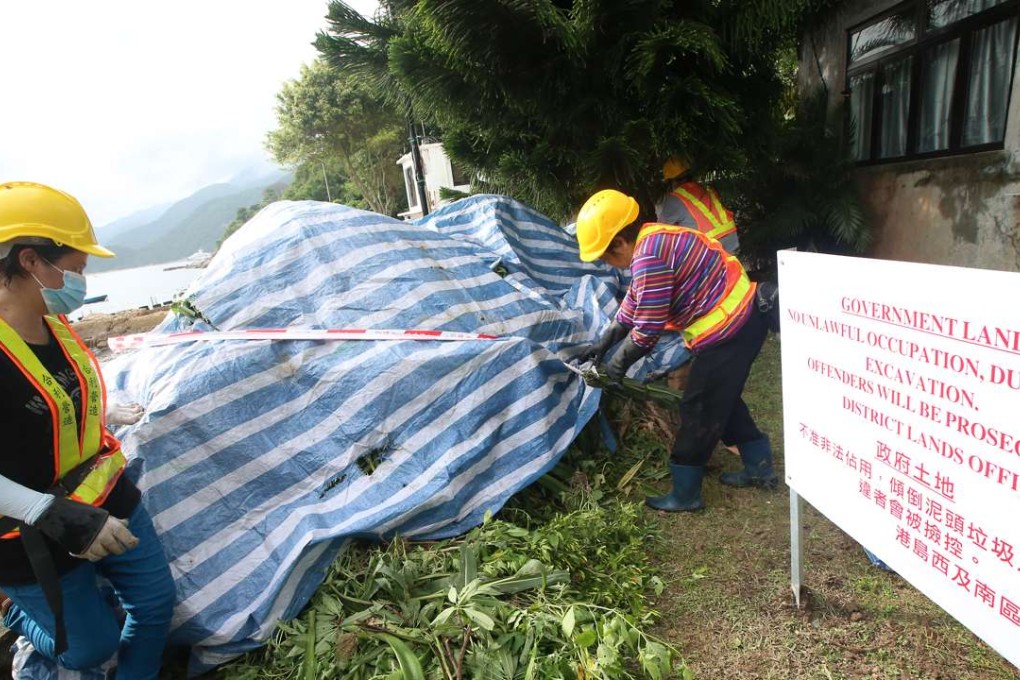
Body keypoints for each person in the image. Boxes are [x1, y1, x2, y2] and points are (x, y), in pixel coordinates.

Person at [0, 181, 175, 678]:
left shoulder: (56, 325)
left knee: (155, 601)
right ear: (31, 262)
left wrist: (103, 412)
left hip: (104, 497)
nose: (81, 280)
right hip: (28, 533)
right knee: (88, 650)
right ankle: (11, 609)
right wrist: (48, 511)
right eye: (75, 268)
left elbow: (46, 403)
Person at [578, 189, 777, 512]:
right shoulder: (652, 240)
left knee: (697, 407)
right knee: (721, 398)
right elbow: (635, 301)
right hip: (738, 321)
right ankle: (759, 467)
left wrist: (617, 363)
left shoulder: (649, 257)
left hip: (730, 328)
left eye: (605, 255)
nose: (606, 263)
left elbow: (648, 330)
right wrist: (607, 338)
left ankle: (686, 494)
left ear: (619, 243)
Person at [658, 157, 740, 256]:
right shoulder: (705, 187)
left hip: (710, 247)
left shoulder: (674, 199)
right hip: (731, 238)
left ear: (671, 181)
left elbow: (660, 231)